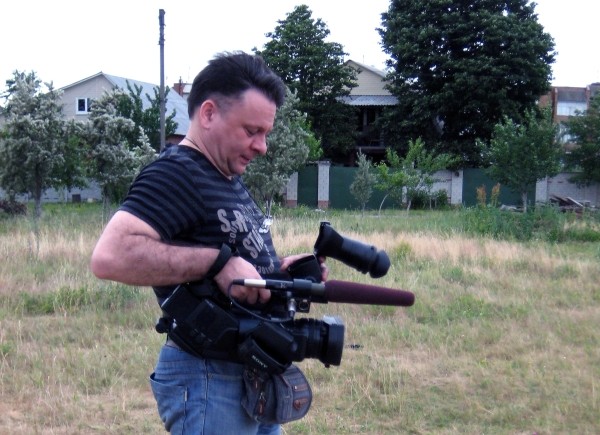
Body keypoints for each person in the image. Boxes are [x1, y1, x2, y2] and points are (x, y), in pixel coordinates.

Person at [90, 52, 326, 435]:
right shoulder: (175, 171)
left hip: (250, 370)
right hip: (207, 378)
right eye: (252, 131)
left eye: (265, 133)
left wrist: (278, 270)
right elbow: (110, 257)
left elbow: (232, 260)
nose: (262, 146)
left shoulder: (225, 177)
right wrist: (215, 264)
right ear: (209, 113)